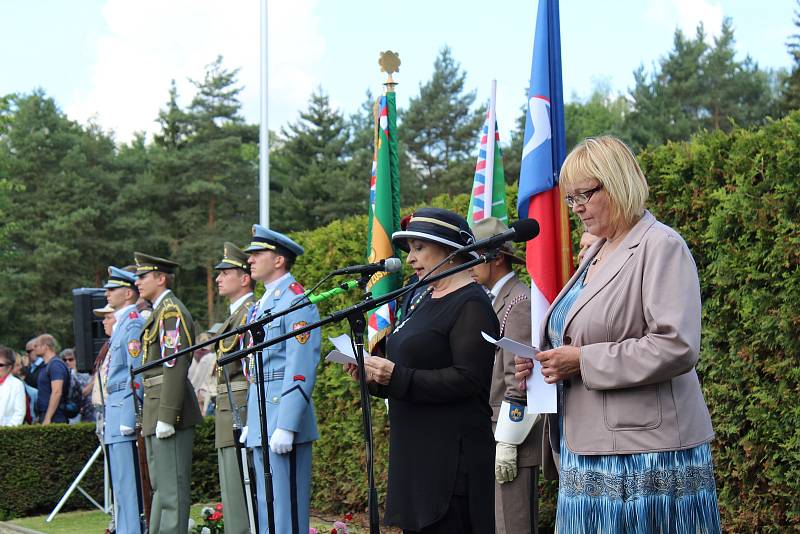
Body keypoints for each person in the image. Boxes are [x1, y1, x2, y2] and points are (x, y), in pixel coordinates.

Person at [514, 136, 721, 533]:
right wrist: (546, 362)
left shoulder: (660, 245)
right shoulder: (599, 250)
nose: (576, 210)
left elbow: (676, 345)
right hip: (589, 449)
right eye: (570, 199)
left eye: (584, 196)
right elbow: (577, 333)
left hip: (645, 458)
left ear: (617, 181)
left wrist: (583, 362)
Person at [353, 208, 500, 533]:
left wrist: (396, 377)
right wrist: (374, 378)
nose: (410, 259)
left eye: (419, 248)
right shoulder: (420, 299)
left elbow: (468, 379)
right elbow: (407, 369)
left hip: (450, 462)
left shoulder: (472, 304)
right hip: (415, 458)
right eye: (410, 250)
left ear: (449, 249)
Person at [244, 225, 321, 534]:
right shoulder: (263, 304)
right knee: (268, 507)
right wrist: (252, 418)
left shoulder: (295, 302)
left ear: (278, 260)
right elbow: (258, 368)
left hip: (282, 421)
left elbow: (300, 365)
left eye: (257, 254)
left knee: (286, 511)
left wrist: (287, 424)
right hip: (263, 418)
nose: (249, 260)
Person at [469, 216, 543, 534]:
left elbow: (520, 379)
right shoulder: (497, 300)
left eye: (475, 256)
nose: (468, 264)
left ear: (496, 257)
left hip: (512, 434)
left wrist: (509, 441)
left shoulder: (519, 302)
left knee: (512, 524)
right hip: (495, 430)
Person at [134, 252, 202, 534]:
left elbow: (174, 365)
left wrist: (167, 415)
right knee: (161, 488)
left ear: (160, 278)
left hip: (167, 409)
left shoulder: (171, 311)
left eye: (143, 276)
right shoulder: (161, 311)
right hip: (156, 405)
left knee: (171, 490)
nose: (137, 282)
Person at [213, 242, 257, 534]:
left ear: (244, 278)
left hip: (240, 408)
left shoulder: (249, 313)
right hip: (229, 408)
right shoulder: (234, 316)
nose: (218, 278)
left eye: (225, 272)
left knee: (242, 493)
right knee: (232, 491)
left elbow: (251, 369)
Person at [102, 266, 147, 534]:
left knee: (129, 486)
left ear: (128, 293)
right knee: (120, 484)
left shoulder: (132, 323)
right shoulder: (123, 324)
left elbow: (135, 371)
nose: (107, 293)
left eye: (113, 288)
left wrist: (131, 414)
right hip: (115, 409)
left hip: (124, 411)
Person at [35, 334, 70, 424]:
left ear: (45, 347)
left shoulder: (55, 365)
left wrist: (48, 417)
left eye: (36, 345)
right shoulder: (46, 365)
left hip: (56, 416)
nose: (34, 348)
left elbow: (57, 392)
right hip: (47, 414)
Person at [60, 348, 95, 423]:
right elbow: (82, 393)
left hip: (88, 414)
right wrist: (93, 382)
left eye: (70, 359)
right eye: (64, 360)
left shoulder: (85, 376)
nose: (67, 362)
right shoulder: (61, 378)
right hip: (72, 413)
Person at [0, 346, 26, 426]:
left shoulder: (17, 385)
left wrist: (6, 431)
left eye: (0, 365)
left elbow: (19, 413)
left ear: (10, 367)